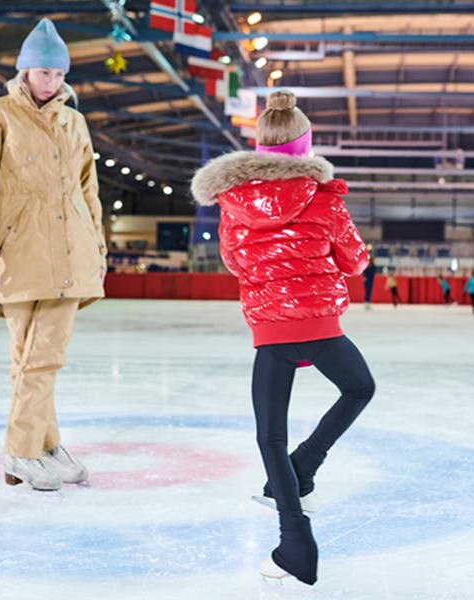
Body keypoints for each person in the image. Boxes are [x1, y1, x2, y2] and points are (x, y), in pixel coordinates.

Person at [191, 89, 374, 587]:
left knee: (270, 434)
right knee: (360, 388)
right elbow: (356, 260)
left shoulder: (233, 203)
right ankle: (306, 464)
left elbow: (233, 261)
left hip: (269, 330)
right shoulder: (325, 198)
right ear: (305, 148)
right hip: (319, 328)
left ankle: (294, 537)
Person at [0, 18, 107, 492]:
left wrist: (99, 248)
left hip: (72, 254)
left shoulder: (74, 122)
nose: (53, 83)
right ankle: (36, 447)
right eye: (45, 73)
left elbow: (89, 192)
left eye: (60, 75)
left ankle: (29, 451)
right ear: (23, 72)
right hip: (17, 253)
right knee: (28, 360)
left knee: (43, 357)